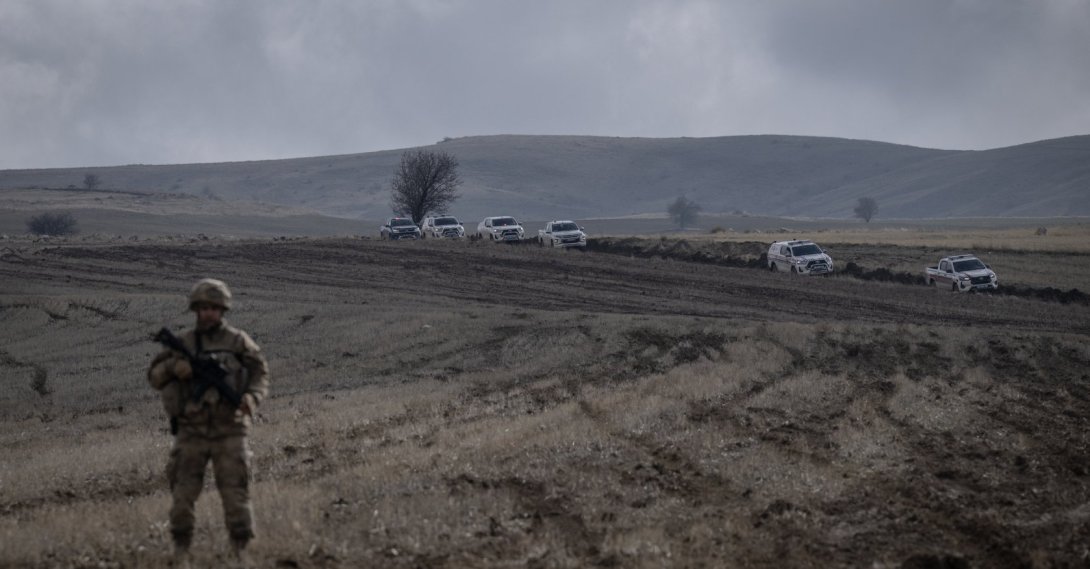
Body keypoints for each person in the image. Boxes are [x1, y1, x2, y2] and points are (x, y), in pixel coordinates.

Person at [147, 278, 270, 567]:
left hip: (231, 428)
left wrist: (252, 398)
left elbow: (260, 374)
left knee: (236, 490)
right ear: (195, 309)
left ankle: (240, 551)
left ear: (223, 310)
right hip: (192, 430)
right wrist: (176, 368)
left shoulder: (238, 342)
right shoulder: (185, 343)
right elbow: (155, 377)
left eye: (213, 308)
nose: (208, 314)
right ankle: (181, 550)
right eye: (202, 308)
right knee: (182, 492)